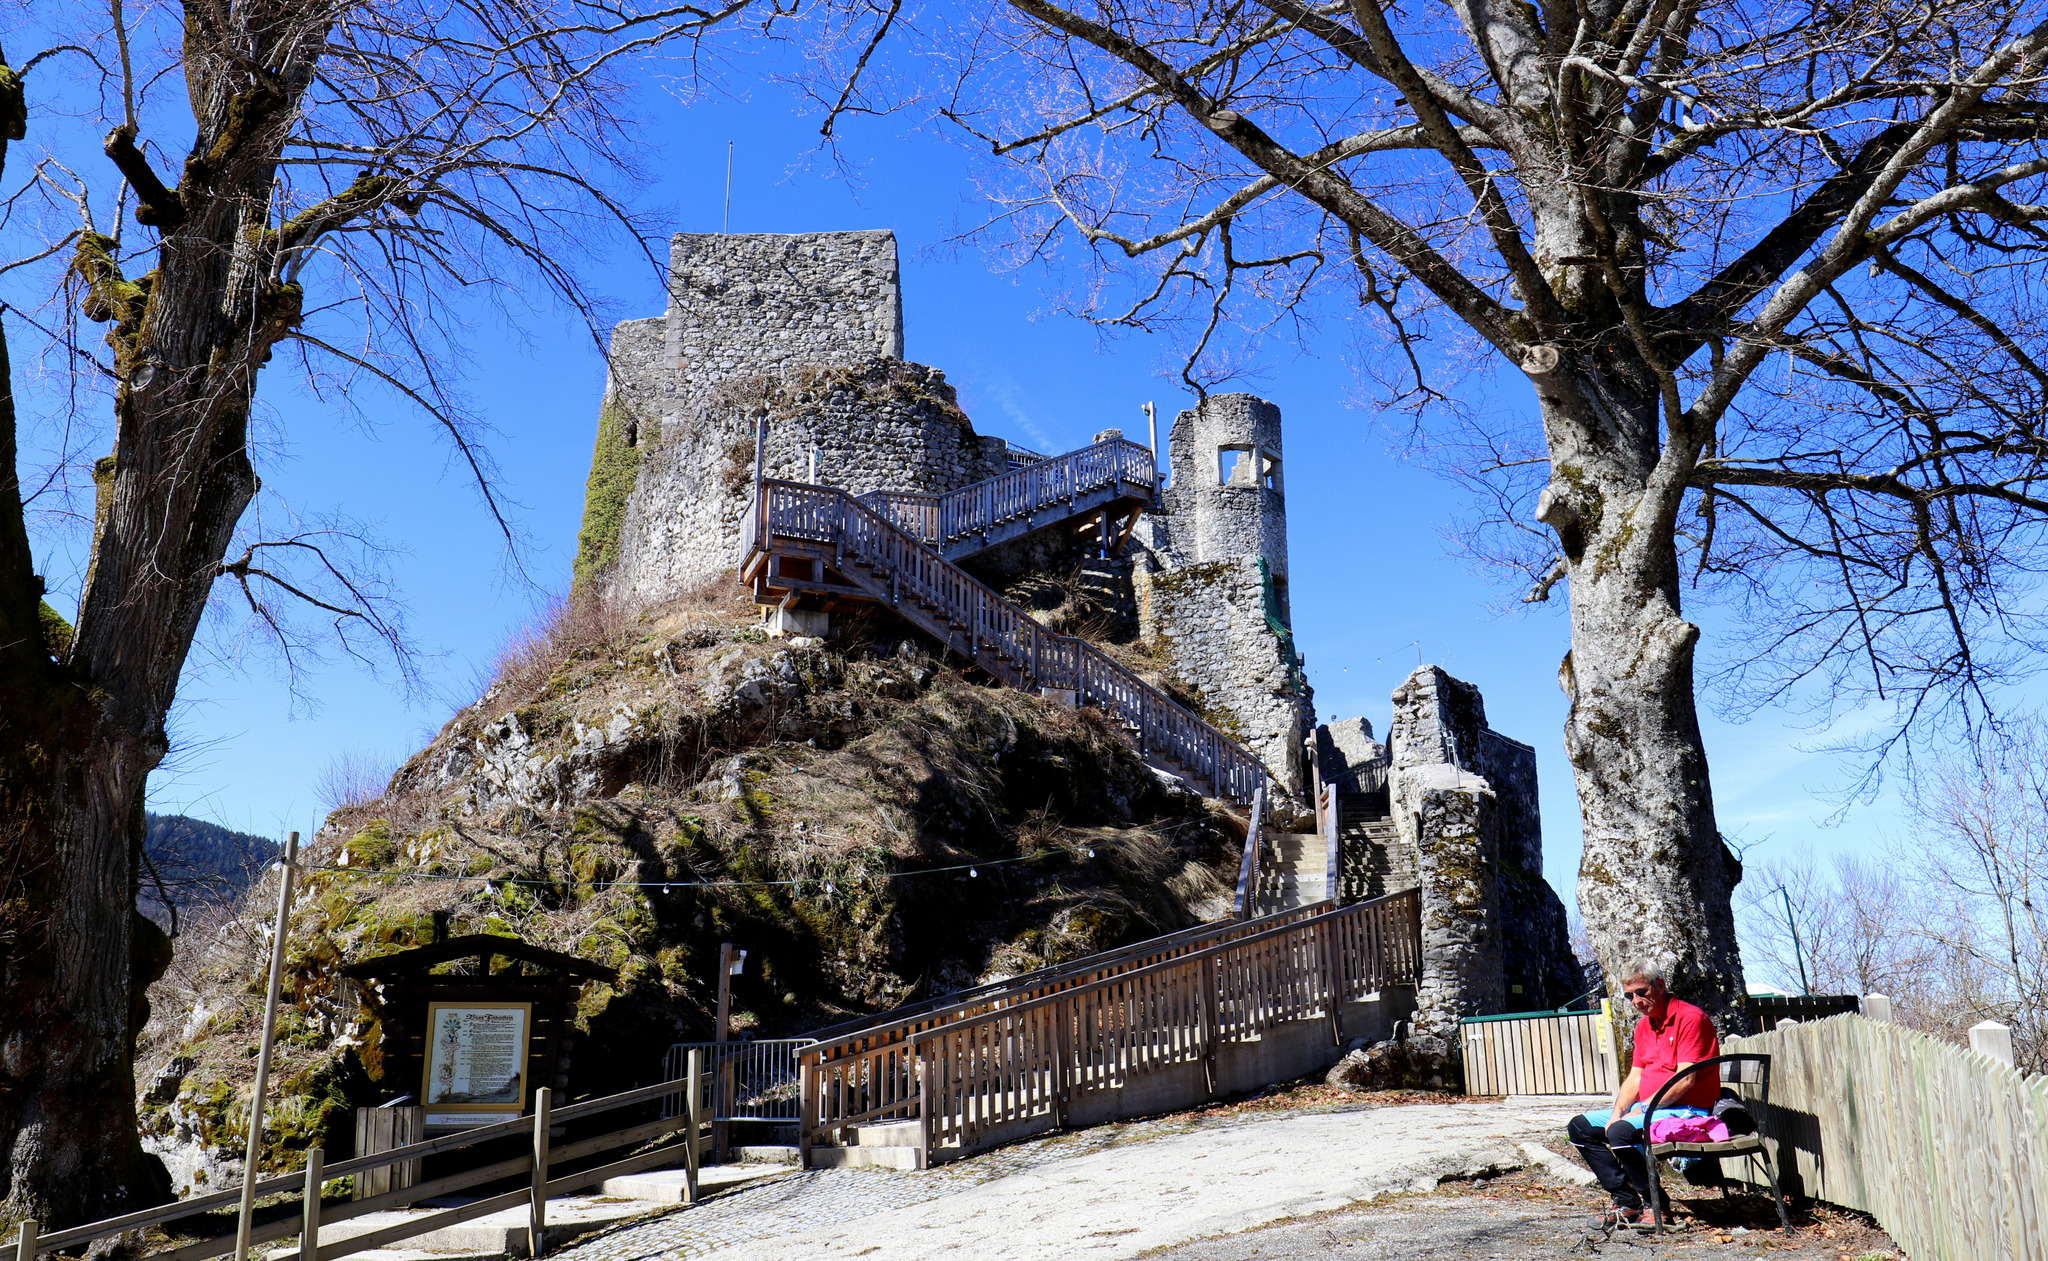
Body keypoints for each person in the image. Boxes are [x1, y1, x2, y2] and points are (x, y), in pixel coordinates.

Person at [1566, 960, 1721, 1228]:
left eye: (1641, 992)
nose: (1636, 1001)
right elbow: (1635, 1077)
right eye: (1629, 995)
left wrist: (1644, 1108)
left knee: (1620, 1132)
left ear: (1659, 985)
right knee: (1581, 1127)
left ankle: (1656, 1204)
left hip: (1686, 1110)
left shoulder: (1690, 1018)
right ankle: (1627, 1201)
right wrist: (1617, 1113)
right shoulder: (1644, 1026)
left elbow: (1686, 1080)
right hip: (1652, 1108)